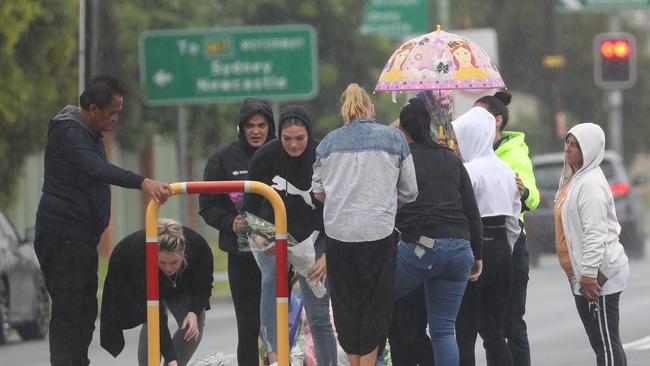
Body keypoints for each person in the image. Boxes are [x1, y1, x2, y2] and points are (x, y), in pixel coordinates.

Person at [34, 75, 171, 366]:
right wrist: (143, 182)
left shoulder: (89, 133)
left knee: (84, 312)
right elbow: (95, 168)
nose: (116, 119)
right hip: (62, 238)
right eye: (113, 112)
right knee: (69, 314)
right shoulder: (68, 133)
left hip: (82, 240)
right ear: (94, 109)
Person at [312, 83, 418, 366]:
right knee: (375, 304)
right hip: (378, 233)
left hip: (339, 234)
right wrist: (382, 203)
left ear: (344, 112)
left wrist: (343, 202)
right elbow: (410, 191)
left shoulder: (327, 144)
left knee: (346, 305)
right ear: (371, 109)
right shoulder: (394, 139)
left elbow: (318, 191)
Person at [390, 98, 483, 366]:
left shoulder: (402, 159)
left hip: (421, 247)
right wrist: (477, 254)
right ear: (429, 124)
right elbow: (471, 210)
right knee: (443, 330)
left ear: (402, 128)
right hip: (459, 249)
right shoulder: (452, 159)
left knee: (376, 301)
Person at [244, 105, 337, 365]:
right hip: (273, 233)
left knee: (318, 310)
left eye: (300, 138)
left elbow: (337, 210)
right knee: (272, 281)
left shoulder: (323, 155)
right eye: (287, 139)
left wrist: (327, 255)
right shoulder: (264, 157)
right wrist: (262, 238)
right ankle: (274, 358)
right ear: (279, 136)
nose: (294, 145)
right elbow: (249, 209)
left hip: (314, 237)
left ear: (309, 135)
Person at [198, 97, 275, 366]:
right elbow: (207, 207)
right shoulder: (222, 158)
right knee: (249, 327)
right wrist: (231, 222)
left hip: (279, 253)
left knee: (278, 327)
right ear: (241, 128)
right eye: (250, 125)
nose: (256, 131)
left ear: (270, 126)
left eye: (262, 125)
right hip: (241, 255)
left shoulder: (282, 153)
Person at [554, 123, 629, 366]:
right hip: (583, 274)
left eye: (576, 145)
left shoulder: (590, 184)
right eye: (568, 142)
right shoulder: (573, 178)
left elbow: (595, 233)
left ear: (590, 150)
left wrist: (587, 276)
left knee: (606, 342)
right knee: (601, 342)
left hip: (599, 274)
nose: (568, 149)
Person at [474, 91, 540, 366]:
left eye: (482, 116)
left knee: (511, 323)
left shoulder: (514, 153)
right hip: (481, 246)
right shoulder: (473, 152)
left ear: (497, 121)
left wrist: (523, 192)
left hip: (511, 246)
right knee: (489, 325)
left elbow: (533, 198)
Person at [452, 106, 521, 366]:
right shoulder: (505, 170)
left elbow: (462, 213)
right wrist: (506, 250)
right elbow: (514, 221)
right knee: (495, 331)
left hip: (475, 249)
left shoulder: (469, 171)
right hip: (502, 247)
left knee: (465, 332)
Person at [100, 218, 213, 366]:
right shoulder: (140, 256)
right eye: (162, 263)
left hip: (182, 281)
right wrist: (171, 358)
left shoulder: (199, 248)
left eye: (174, 262)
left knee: (194, 323)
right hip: (131, 272)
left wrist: (193, 312)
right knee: (151, 320)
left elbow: (203, 286)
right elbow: (156, 316)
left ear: (184, 252)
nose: (168, 268)